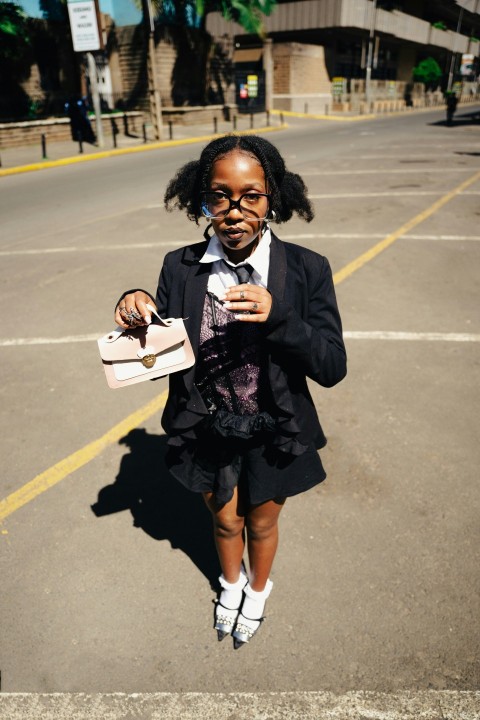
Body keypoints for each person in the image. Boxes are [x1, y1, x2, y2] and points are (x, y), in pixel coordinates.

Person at [114, 134, 347, 648]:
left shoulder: (308, 269)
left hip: (275, 427)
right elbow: (158, 353)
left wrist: (280, 316)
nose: (234, 210)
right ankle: (230, 585)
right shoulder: (181, 266)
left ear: (272, 200)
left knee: (261, 523)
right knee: (224, 521)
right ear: (203, 199)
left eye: (251, 196)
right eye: (219, 196)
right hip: (207, 425)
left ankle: (258, 592)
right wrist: (134, 308)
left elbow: (332, 366)